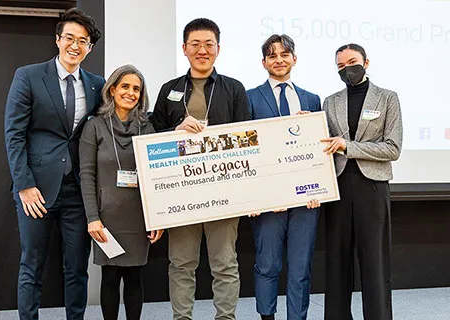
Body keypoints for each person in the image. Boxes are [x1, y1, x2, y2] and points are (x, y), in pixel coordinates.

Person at [4, 8, 104, 320]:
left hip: (77, 190)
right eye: (70, 38)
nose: (75, 45)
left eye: (83, 41)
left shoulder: (97, 84)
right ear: (58, 40)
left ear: (89, 48)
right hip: (36, 190)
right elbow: (14, 134)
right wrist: (24, 185)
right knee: (31, 264)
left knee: (77, 268)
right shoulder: (29, 76)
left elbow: (118, 123)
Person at [151, 18, 250, 320]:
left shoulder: (234, 89)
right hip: (181, 194)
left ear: (218, 49)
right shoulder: (170, 89)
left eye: (208, 44)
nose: (202, 50)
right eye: (195, 44)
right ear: (184, 48)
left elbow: (247, 139)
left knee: (225, 264)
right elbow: (152, 137)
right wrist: (175, 130)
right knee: (181, 264)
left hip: (224, 192)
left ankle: (226, 318)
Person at [321, 44, 402, 320]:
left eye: (352, 62)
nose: (347, 69)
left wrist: (349, 146)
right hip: (339, 187)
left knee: (375, 263)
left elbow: (393, 148)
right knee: (336, 262)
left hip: (372, 187)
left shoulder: (388, 98)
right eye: (341, 66)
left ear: (367, 62)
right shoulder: (330, 102)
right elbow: (324, 145)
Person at [79, 65, 164, 320]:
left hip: (137, 217)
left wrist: (157, 218)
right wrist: (92, 217)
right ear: (113, 89)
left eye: (136, 88)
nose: (131, 93)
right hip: (106, 218)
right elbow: (87, 175)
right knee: (110, 277)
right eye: (125, 86)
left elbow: (156, 177)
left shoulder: (147, 128)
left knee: (135, 277)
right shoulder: (94, 126)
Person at [246, 34, 321, 320]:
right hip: (267, 199)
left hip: (306, 200)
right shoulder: (250, 97)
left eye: (284, 54)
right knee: (268, 264)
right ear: (263, 62)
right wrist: (256, 195)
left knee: (301, 267)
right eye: (272, 55)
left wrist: (319, 188)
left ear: (294, 58)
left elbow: (319, 150)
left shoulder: (312, 99)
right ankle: (267, 316)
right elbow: (246, 149)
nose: (279, 59)